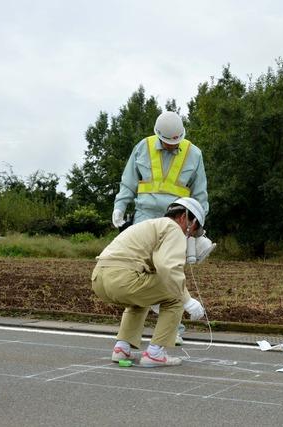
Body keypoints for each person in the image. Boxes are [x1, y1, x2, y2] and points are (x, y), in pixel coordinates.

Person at [111, 111, 209, 344]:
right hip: (145, 218)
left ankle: (170, 330)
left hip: (177, 221)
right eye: (167, 141)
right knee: (143, 272)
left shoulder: (194, 154)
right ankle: (128, 339)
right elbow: (128, 181)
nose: (170, 145)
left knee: (171, 271)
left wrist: (198, 228)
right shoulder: (142, 147)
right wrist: (119, 207)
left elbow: (200, 194)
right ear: (158, 135)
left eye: (174, 141)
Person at [92, 197, 207, 367]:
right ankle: (155, 353)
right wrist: (188, 300)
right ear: (184, 217)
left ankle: (122, 348)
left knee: (140, 299)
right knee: (176, 297)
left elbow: (154, 268)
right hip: (124, 279)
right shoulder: (173, 228)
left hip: (99, 279)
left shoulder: (152, 225)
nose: (189, 234)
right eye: (193, 228)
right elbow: (168, 268)